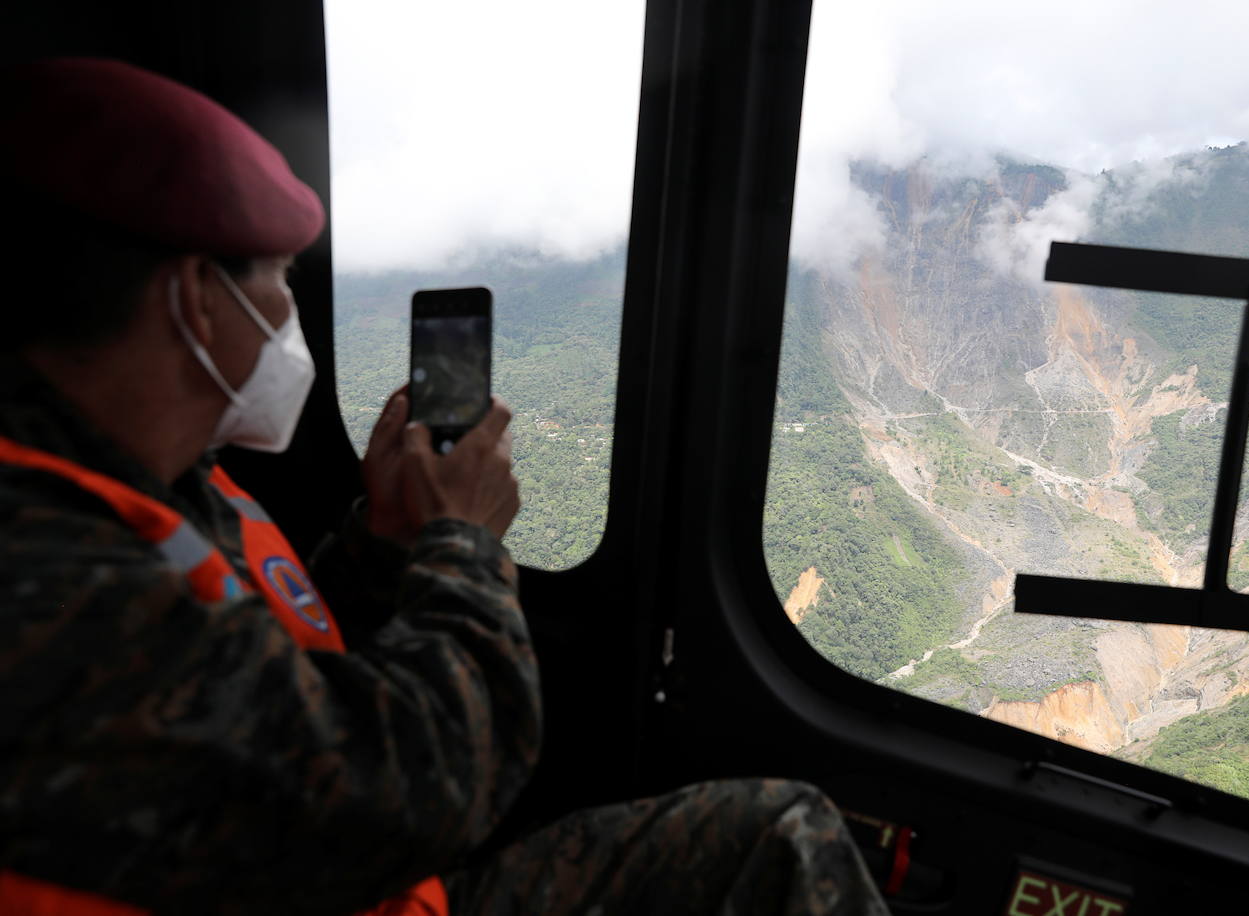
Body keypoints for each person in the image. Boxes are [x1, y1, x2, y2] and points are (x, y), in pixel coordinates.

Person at [0, 58, 890, 915]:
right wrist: (459, 545)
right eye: (277, 277)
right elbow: (407, 797)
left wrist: (382, 550)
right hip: (370, 870)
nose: (286, 315)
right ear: (199, 299)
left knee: (777, 836)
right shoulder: (41, 574)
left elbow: (278, 690)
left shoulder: (151, 484)